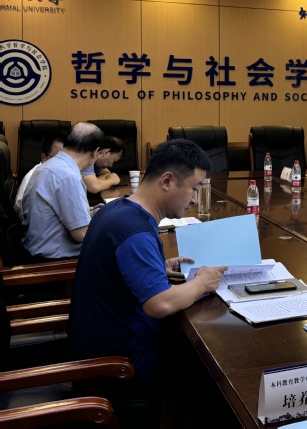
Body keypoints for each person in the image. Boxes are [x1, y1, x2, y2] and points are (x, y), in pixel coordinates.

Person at [69, 139, 227, 428]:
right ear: (167, 181)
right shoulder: (135, 231)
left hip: (99, 344)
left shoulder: (117, 210)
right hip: (121, 366)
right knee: (215, 376)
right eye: (194, 188)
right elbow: (159, 304)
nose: (195, 199)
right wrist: (203, 282)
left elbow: (117, 269)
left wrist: (156, 267)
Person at [22, 122, 104, 260]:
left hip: (36, 248)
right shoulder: (68, 176)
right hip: (54, 260)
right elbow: (81, 234)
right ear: (95, 153)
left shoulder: (48, 166)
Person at [14, 131, 65, 223]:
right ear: (43, 157)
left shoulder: (58, 174)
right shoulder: (33, 178)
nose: (62, 163)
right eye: (57, 159)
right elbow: (27, 217)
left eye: (65, 158)